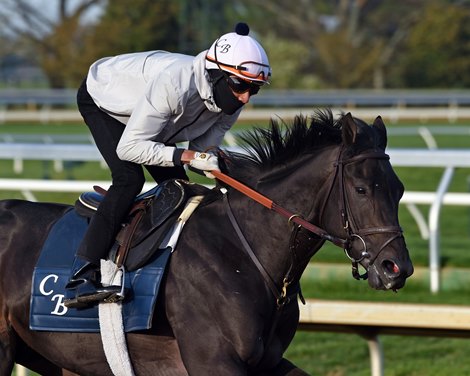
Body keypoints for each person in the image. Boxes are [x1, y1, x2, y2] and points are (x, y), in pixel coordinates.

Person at [64, 22, 271, 308]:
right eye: (240, 85)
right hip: (103, 101)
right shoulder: (175, 84)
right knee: (129, 178)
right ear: (217, 75)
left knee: (181, 188)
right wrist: (184, 157)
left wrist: (227, 167)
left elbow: (202, 154)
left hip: (154, 118)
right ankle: (81, 274)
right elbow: (130, 147)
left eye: (254, 89)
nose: (245, 97)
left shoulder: (230, 103)